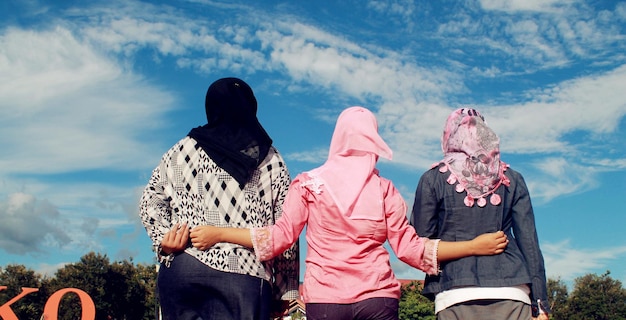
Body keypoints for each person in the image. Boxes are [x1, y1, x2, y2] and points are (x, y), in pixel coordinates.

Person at [190, 106, 509, 320]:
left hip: (324, 301)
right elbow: (411, 251)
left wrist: (219, 233)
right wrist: (473, 246)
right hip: (378, 299)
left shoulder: (308, 184)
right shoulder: (385, 190)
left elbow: (278, 240)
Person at [139, 77, 299, 320]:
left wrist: (165, 240)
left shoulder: (181, 151)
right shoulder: (270, 159)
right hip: (244, 275)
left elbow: (150, 199)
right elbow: (286, 230)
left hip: (183, 269)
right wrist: (283, 292)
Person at [409, 107, 551, 320]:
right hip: (513, 291)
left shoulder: (432, 179)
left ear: (449, 136)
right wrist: (540, 304)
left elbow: (420, 242)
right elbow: (529, 244)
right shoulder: (512, 178)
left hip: (455, 292)